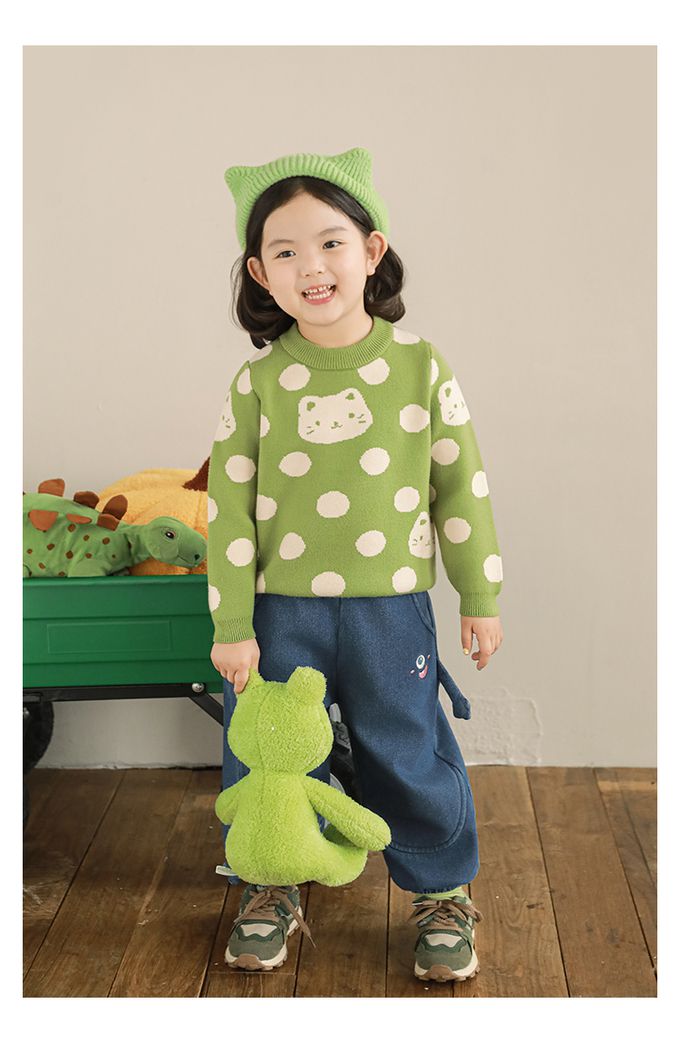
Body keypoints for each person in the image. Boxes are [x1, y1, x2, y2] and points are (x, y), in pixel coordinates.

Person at [207, 147, 503, 983]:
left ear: (372, 251)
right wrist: (232, 623)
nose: (312, 267)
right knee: (271, 752)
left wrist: (479, 592)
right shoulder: (257, 383)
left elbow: (462, 487)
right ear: (261, 274)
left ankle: (441, 891)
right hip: (279, 613)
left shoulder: (420, 367)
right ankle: (270, 879)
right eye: (286, 251)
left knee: (404, 745)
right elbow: (227, 511)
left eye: (331, 243)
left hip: (390, 609)